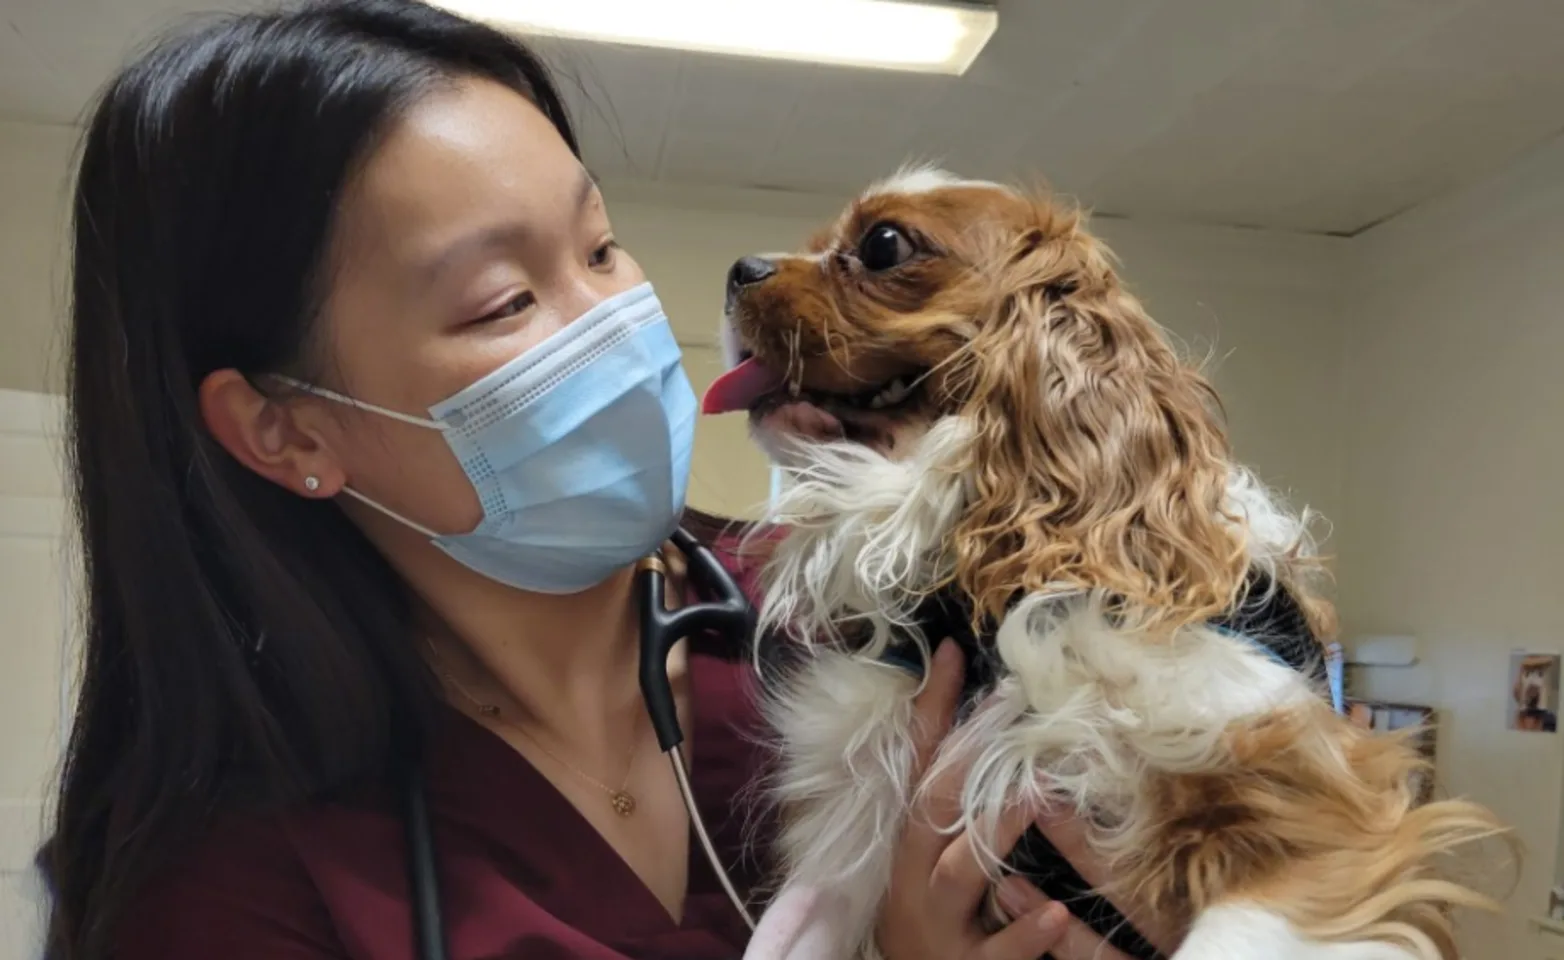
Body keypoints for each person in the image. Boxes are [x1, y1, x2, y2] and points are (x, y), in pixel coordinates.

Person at [39, 2, 1178, 958]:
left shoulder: (847, 612)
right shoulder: (227, 885)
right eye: (501, 301)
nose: (618, 325)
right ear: (285, 433)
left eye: (599, 248)